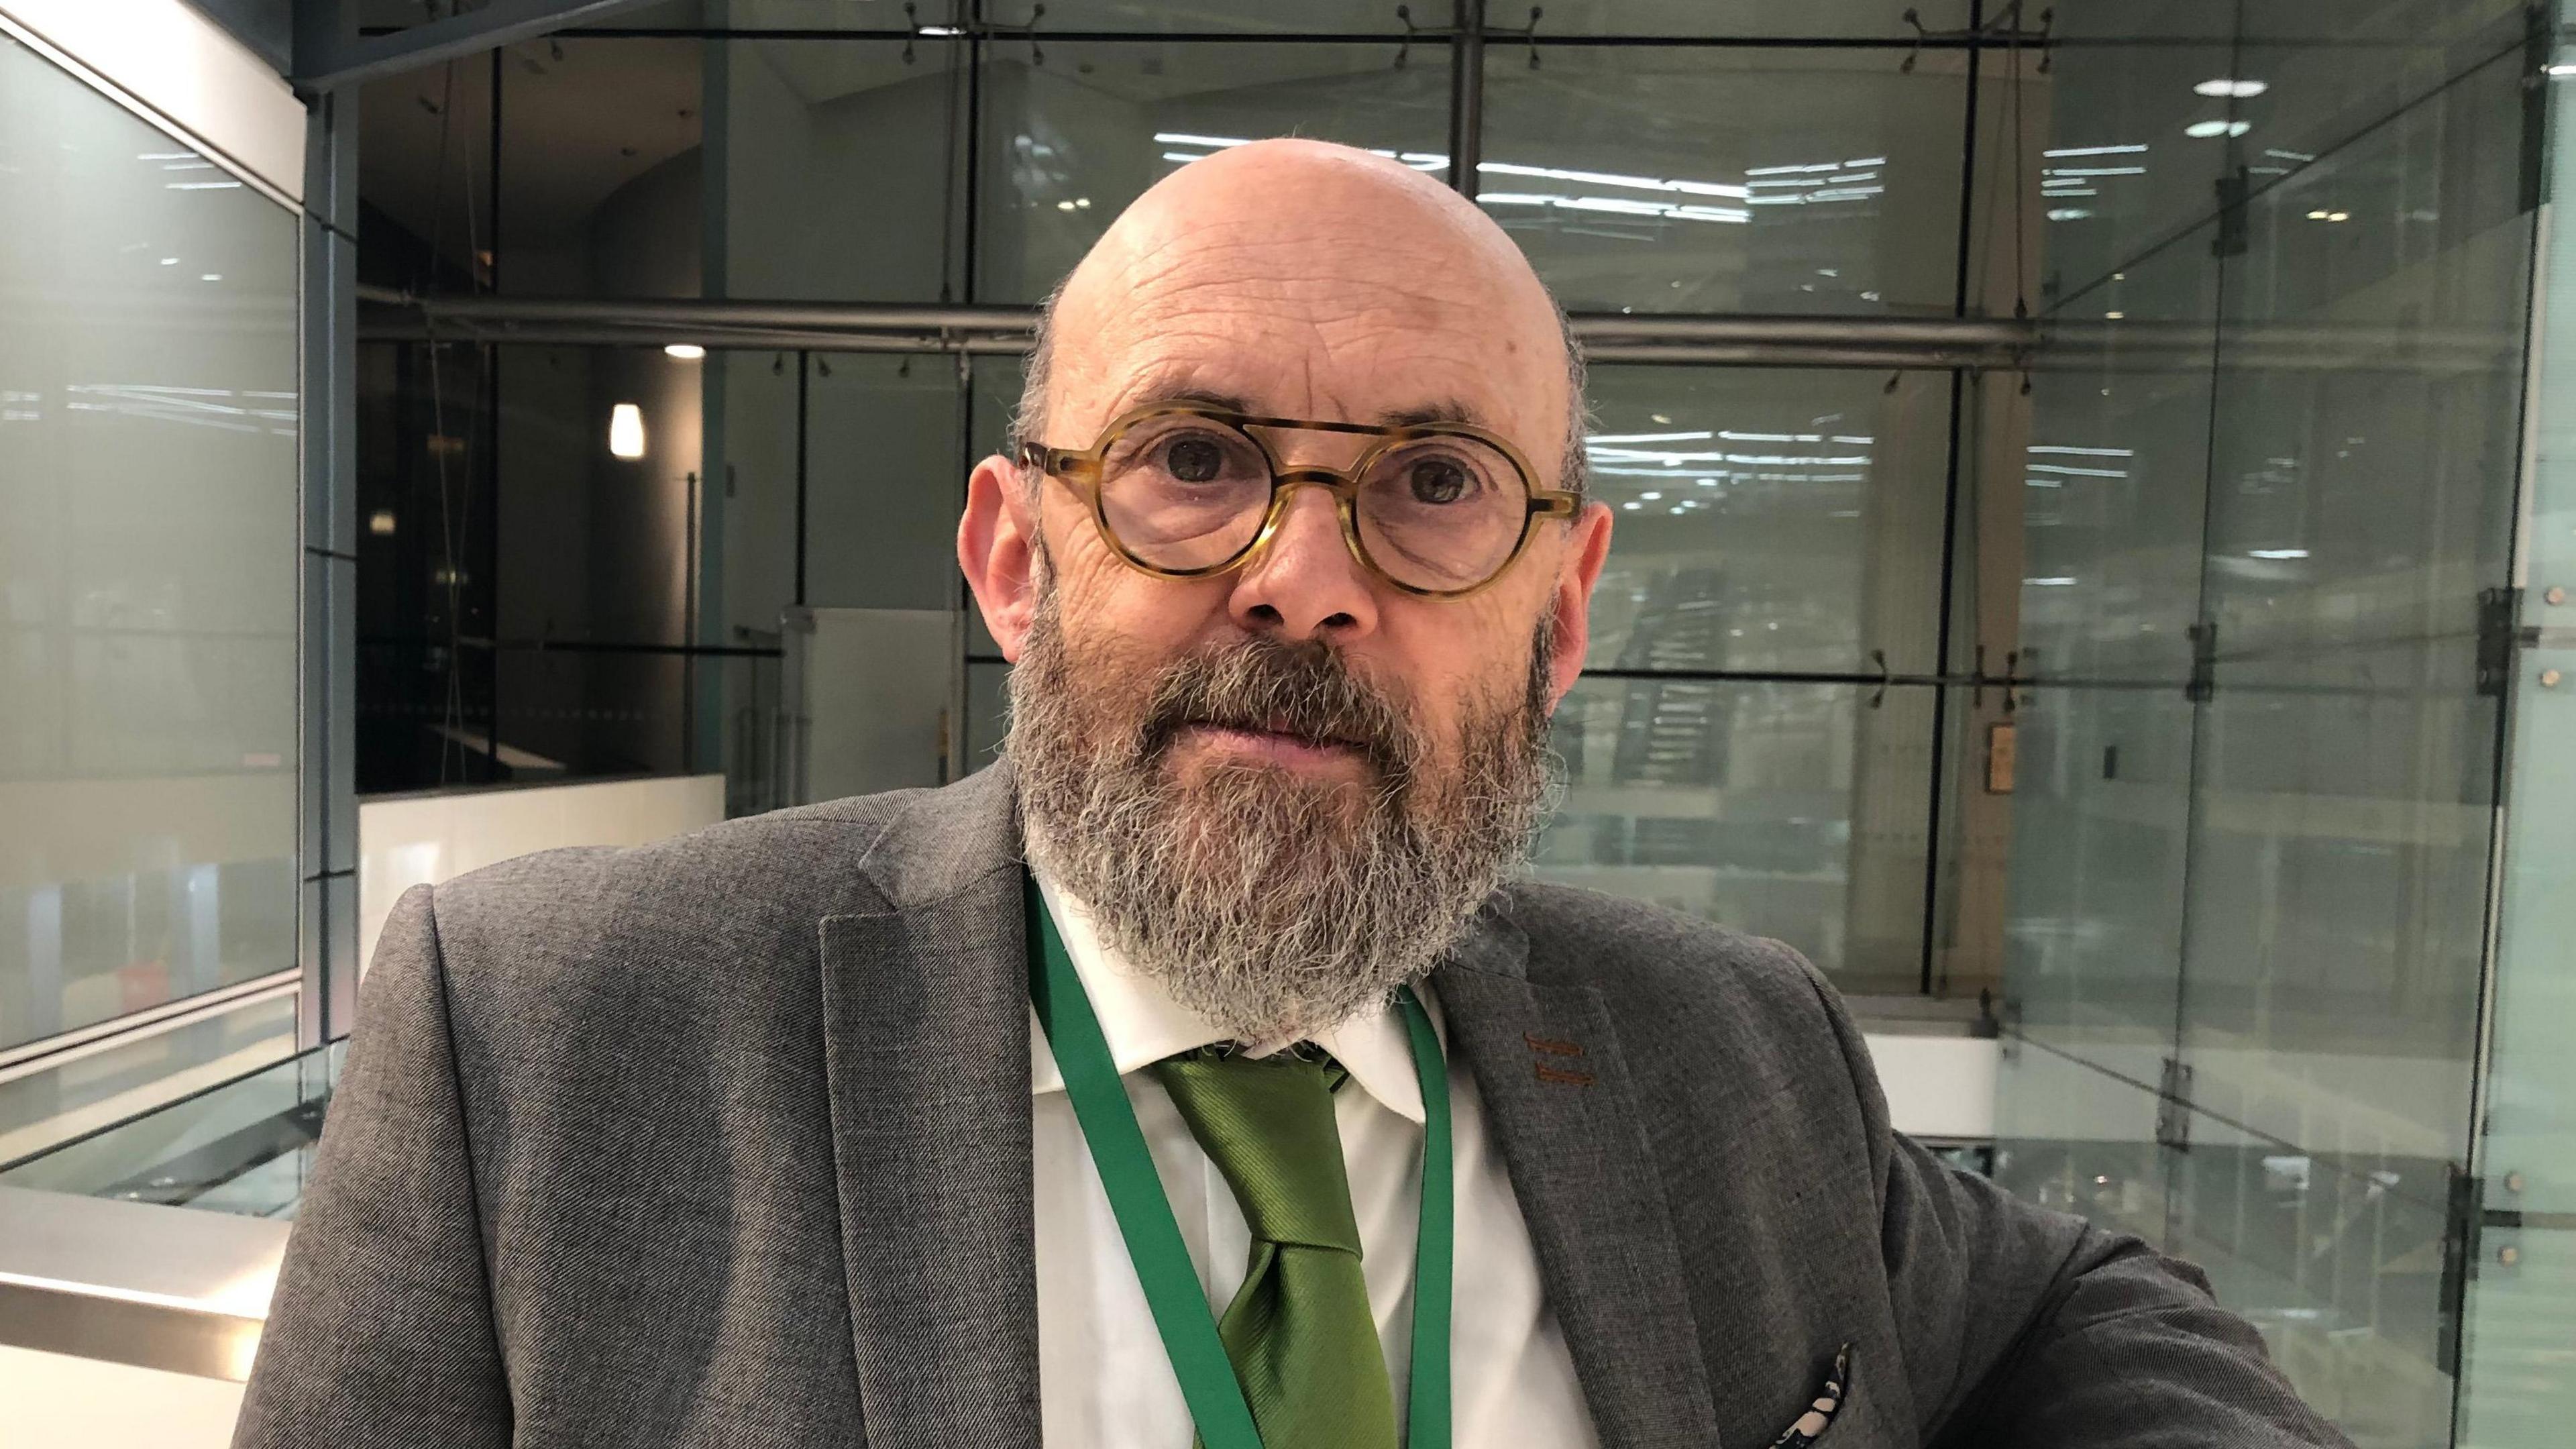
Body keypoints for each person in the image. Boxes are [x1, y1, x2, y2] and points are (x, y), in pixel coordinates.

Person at [236, 139, 2352, 1449]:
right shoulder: (545, 1040)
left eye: (1436, 486)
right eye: (1194, 460)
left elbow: (2074, 1313)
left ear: (1566, 605)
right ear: (1007, 555)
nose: (1307, 579)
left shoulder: (1729, 1051)